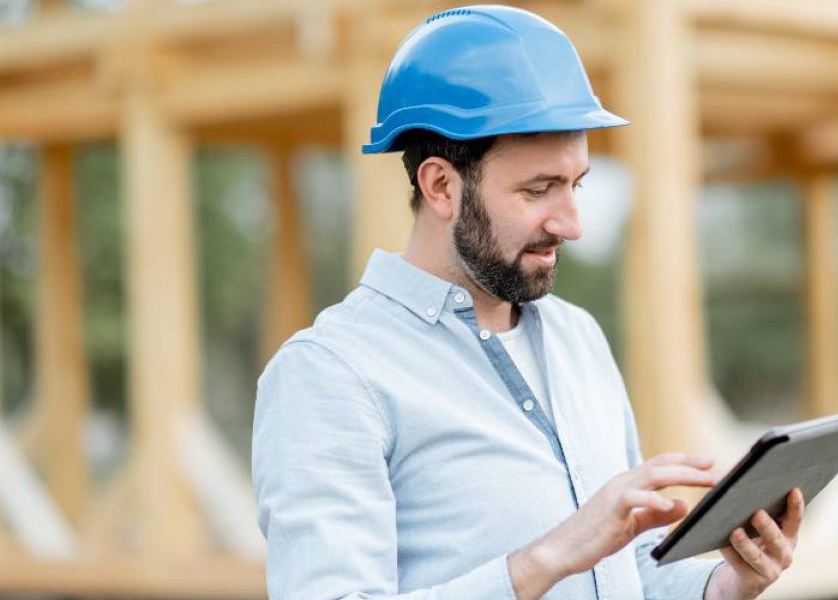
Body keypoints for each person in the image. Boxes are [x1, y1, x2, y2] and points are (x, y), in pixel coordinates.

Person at [252, 5, 803, 599]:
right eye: (539, 189)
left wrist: (727, 584)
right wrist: (550, 556)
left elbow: (628, 570)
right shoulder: (331, 373)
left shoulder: (579, 337)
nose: (571, 224)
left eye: (576, 184)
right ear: (440, 186)